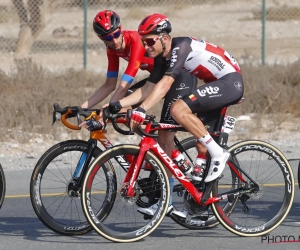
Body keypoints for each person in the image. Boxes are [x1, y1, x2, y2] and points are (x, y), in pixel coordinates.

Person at [108, 13, 244, 217]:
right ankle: (169, 199)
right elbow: (147, 89)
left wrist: (142, 109)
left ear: (164, 37)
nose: (146, 47)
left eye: (150, 41)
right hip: (216, 84)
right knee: (190, 135)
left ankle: (219, 154)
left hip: (230, 82)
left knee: (178, 109)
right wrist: (117, 105)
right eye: (144, 42)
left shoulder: (181, 46)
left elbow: (165, 85)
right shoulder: (162, 57)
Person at [81, 11, 198, 218]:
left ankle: (167, 193)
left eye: (115, 34)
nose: (114, 40)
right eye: (107, 38)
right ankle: (154, 161)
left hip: (177, 79)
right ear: (102, 39)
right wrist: (82, 107)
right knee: (124, 114)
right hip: (156, 79)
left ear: (121, 30)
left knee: (152, 129)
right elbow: (109, 85)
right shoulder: (112, 50)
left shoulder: (135, 40)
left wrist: (106, 111)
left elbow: (124, 86)